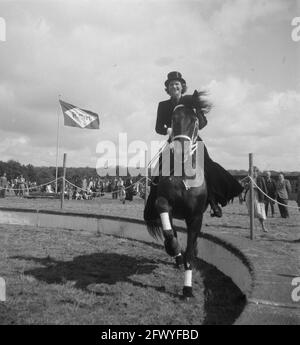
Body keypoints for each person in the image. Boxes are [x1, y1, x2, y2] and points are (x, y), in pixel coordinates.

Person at [147, 71, 243, 217]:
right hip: (173, 141)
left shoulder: (190, 100)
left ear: (182, 86)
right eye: (171, 84)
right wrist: (168, 129)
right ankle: (155, 203)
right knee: (158, 169)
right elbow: (158, 127)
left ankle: (213, 202)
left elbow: (203, 123)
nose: (174, 86)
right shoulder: (163, 105)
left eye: (177, 84)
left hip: (193, 140)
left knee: (207, 165)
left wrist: (196, 115)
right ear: (168, 88)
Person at [245, 167, 268, 232]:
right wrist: (247, 186)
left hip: (258, 196)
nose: (253, 173)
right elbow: (246, 187)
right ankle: (252, 226)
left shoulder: (261, 179)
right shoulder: (249, 178)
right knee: (251, 211)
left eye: (255, 171)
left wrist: (265, 199)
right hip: (250, 195)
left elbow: (264, 189)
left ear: (257, 171)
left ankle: (263, 227)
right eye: (252, 171)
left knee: (260, 211)